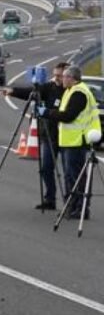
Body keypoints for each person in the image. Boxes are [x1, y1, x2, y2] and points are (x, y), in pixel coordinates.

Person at [0, 62, 68, 210]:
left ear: (68, 76)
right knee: (46, 168)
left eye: (60, 76)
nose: (56, 78)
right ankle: (50, 199)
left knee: (69, 172)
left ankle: (72, 203)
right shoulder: (50, 87)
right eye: (55, 75)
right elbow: (32, 93)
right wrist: (12, 91)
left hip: (68, 137)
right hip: (49, 134)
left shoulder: (72, 92)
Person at [41, 66, 101, 219]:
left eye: (64, 77)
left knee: (76, 177)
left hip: (78, 140)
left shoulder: (79, 93)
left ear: (72, 78)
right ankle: (71, 206)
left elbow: (68, 116)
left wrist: (47, 112)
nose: (61, 79)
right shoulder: (70, 91)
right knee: (70, 176)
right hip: (69, 141)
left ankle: (81, 208)